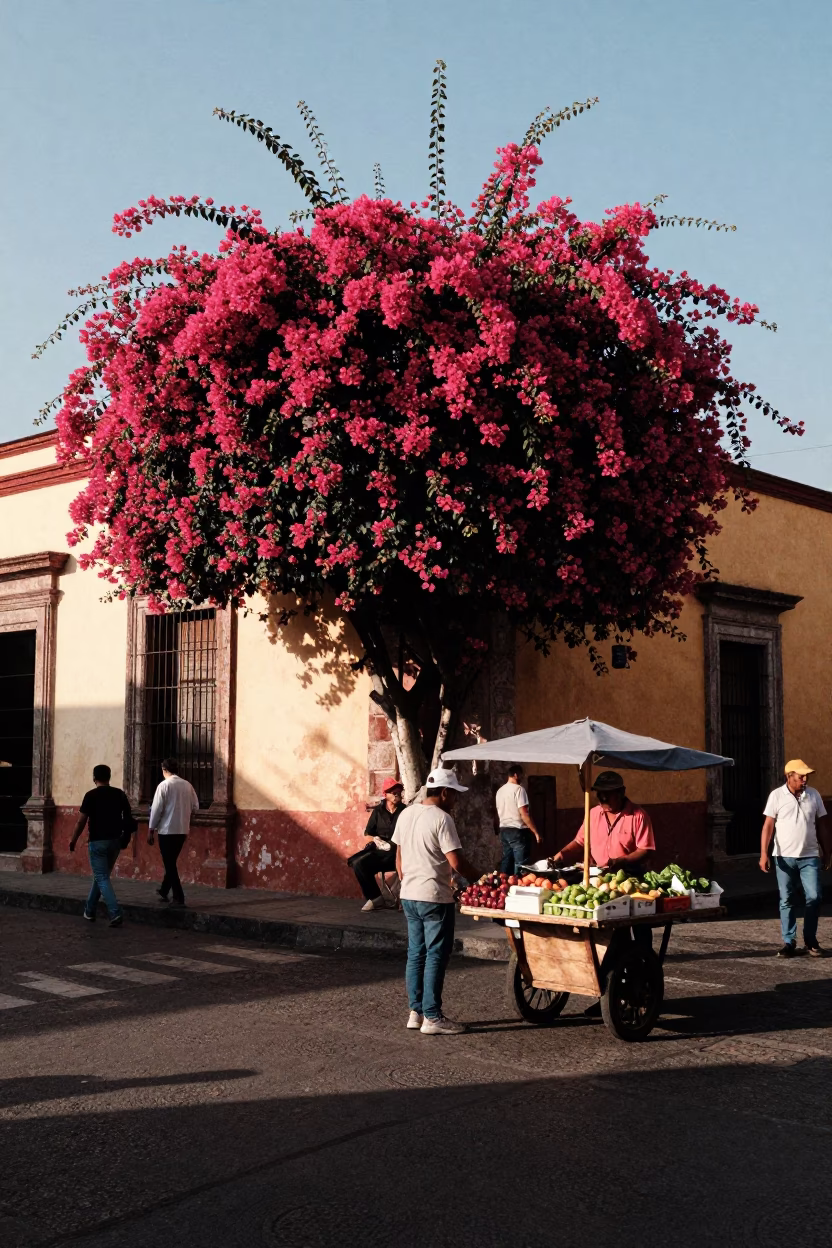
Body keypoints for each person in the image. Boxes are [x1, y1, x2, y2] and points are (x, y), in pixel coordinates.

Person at [393, 766, 476, 1035]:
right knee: (436, 955)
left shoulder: (406, 814)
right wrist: (483, 878)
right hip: (433, 898)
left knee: (416, 953)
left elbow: (399, 857)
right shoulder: (442, 819)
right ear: (443, 792)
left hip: (409, 895)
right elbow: (457, 862)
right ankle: (432, 1015)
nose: (455, 800)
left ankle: (415, 1011)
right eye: (454, 794)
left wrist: (407, 882)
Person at [760, 759, 830, 958]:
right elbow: (768, 826)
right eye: (801, 776)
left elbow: (823, 824)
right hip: (783, 857)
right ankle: (789, 941)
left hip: (810, 856)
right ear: (789, 776)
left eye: (806, 776)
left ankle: (811, 940)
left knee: (815, 897)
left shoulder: (814, 795)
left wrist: (827, 851)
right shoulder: (776, 796)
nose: (805, 779)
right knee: (787, 899)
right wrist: (764, 853)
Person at [550, 770, 655, 875]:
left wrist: (623, 861)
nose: (603, 798)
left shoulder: (639, 815)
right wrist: (562, 854)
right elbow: (579, 842)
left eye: (608, 793)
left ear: (621, 792)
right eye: (600, 793)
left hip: (629, 876)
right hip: (598, 876)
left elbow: (645, 850)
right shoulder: (593, 813)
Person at [69, 764, 135, 928]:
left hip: (97, 841)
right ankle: (89, 910)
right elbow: (128, 816)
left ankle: (115, 912)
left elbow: (81, 821)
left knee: (102, 878)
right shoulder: (119, 794)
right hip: (115, 841)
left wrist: (73, 839)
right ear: (109, 777)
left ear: (94, 778)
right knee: (101, 877)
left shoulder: (90, 795)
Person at [147, 758, 199, 908]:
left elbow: (156, 810)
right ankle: (164, 890)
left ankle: (178, 896)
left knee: (169, 863)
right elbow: (195, 806)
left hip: (166, 830)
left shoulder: (164, 786)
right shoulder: (187, 785)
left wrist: (151, 829)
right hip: (182, 830)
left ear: (164, 769)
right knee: (171, 861)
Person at [348, 777, 404, 911]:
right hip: (381, 851)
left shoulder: (405, 811)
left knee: (362, 863)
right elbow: (368, 833)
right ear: (385, 794)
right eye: (393, 791)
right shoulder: (378, 812)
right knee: (356, 862)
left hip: (399, 853)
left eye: (398, 791)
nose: (396, 794)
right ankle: (375, 898)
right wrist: (376, 840)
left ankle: (399, 899)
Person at [494, 763, 542, 875]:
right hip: (518, 831)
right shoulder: (519, 790)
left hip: (504, 830)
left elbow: (497, 813)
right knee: (521, 865)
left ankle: (502, 885)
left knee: (507, 860)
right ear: (516, 775)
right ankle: (518, 885)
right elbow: (524, 814)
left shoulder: (500, 791)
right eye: (521, 775)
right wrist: (535, 832)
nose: (522, 778)